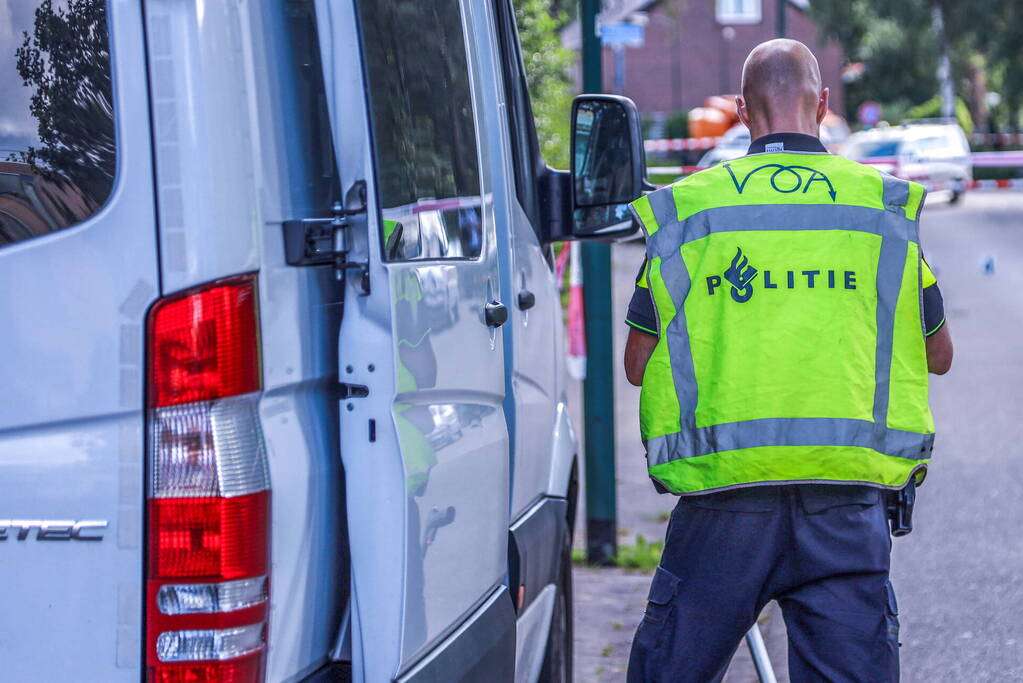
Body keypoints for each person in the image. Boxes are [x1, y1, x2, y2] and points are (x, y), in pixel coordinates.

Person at [624, 39, 953, 683]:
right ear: (824, 105)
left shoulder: (691, 212)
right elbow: (937, 354)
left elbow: (639, 362)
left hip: (721, 507)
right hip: (846, 506)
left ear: (743, 113)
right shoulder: (878, 208)